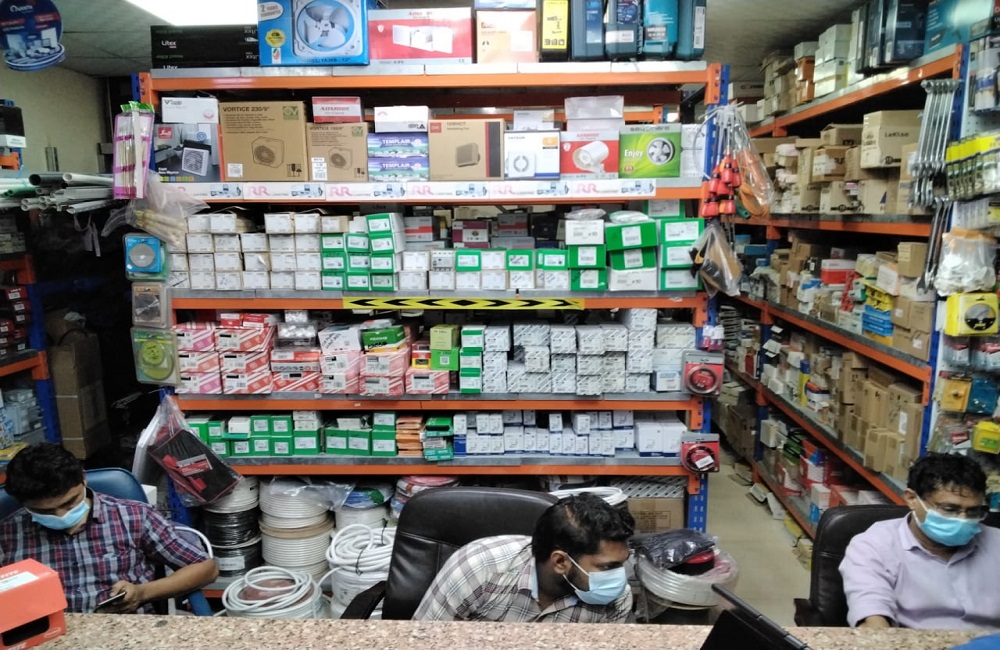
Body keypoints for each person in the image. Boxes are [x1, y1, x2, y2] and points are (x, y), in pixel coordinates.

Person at [0, 443, 218, 614]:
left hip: (125, 630)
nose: (61, 516)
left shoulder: (133, 516)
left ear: (83, 479)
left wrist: (142, 593)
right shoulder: (8, 533)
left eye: (70, 503)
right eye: (45, 512)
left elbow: (206, 569)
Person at [414, 492, 634, 623]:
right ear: (560, 562)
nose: (619, 577)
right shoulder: (479, 568)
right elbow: (422, 642)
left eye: (622, 564)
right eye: (608, 567)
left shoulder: (616, 600)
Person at [840, 453, 1000, 630]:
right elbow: (873, 620)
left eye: (973, 512)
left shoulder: (996, 542)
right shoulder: (874, 546)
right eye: (950, 509)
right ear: (912, 499)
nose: (962, 520)